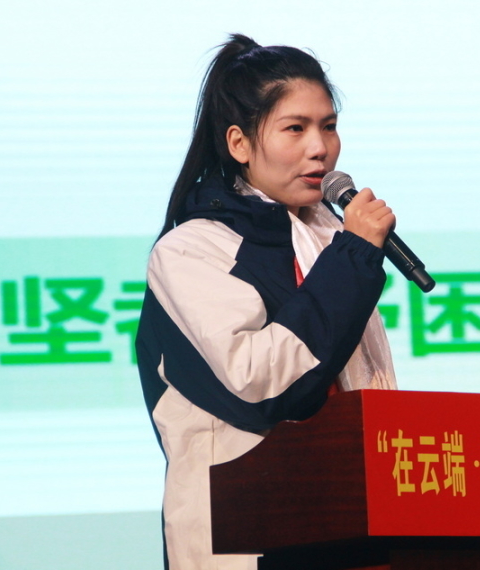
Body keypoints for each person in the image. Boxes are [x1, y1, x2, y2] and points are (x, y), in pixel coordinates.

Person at [135, 33, 398, 570]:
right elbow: (265, 386)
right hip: (250, 542)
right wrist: (351, 259)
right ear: (239, 143)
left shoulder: (329, 238)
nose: (320, 147)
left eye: (329, 126)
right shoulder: (192, 250)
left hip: (349, 527)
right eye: (295, 128)